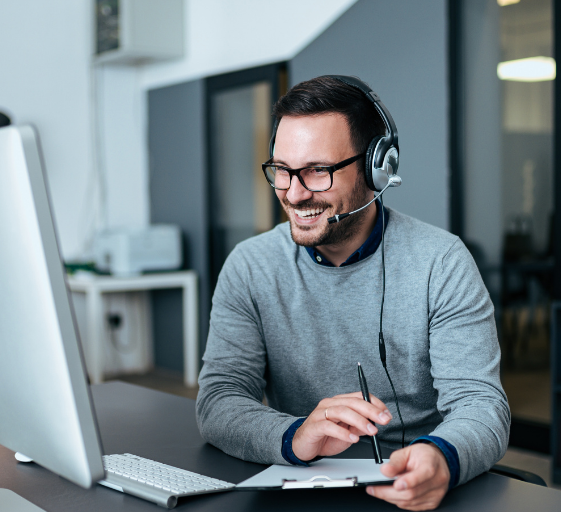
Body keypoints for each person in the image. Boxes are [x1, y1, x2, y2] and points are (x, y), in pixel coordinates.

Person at [196, 75, 509, 511]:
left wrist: (441, 457)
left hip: (414, 486)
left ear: (375, 167)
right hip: (304, 485)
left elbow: (481, 405)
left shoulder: (441, 262)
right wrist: (295, 435)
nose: (294, 192)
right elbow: (220, 401)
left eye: (318, 171)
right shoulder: (250, 266)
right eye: (282, 171)